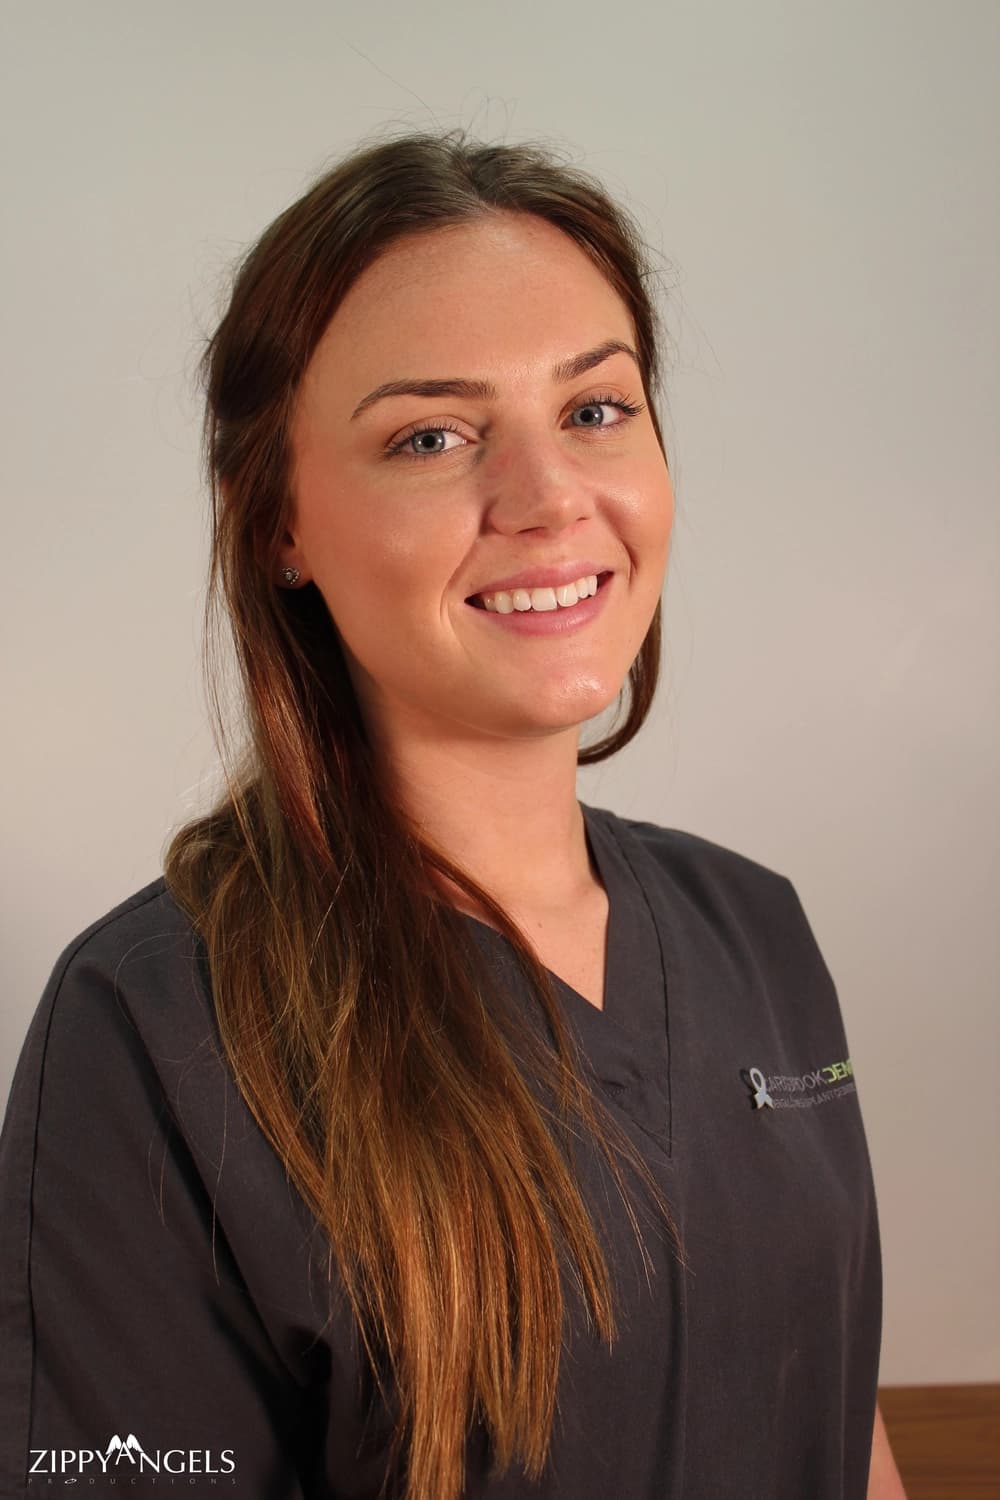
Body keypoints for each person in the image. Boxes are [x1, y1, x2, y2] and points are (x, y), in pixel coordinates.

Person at [0, 128, 906, 1499]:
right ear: (279, 525)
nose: (548, 500)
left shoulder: (758, 932)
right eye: (432, 436)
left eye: (595, 409)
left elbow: (838, 1415)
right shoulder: (155, 1029)